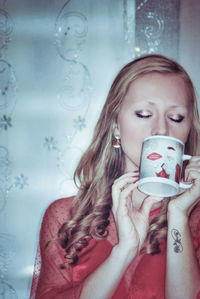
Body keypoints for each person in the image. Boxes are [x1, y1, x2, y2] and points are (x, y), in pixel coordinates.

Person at [30, 54, 200, 299]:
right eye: (143, 114)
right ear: (115, 125)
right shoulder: (66, 217)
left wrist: (178, 215)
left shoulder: (195, 218)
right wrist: (124, 251)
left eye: (176, 118)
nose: (162, 130)